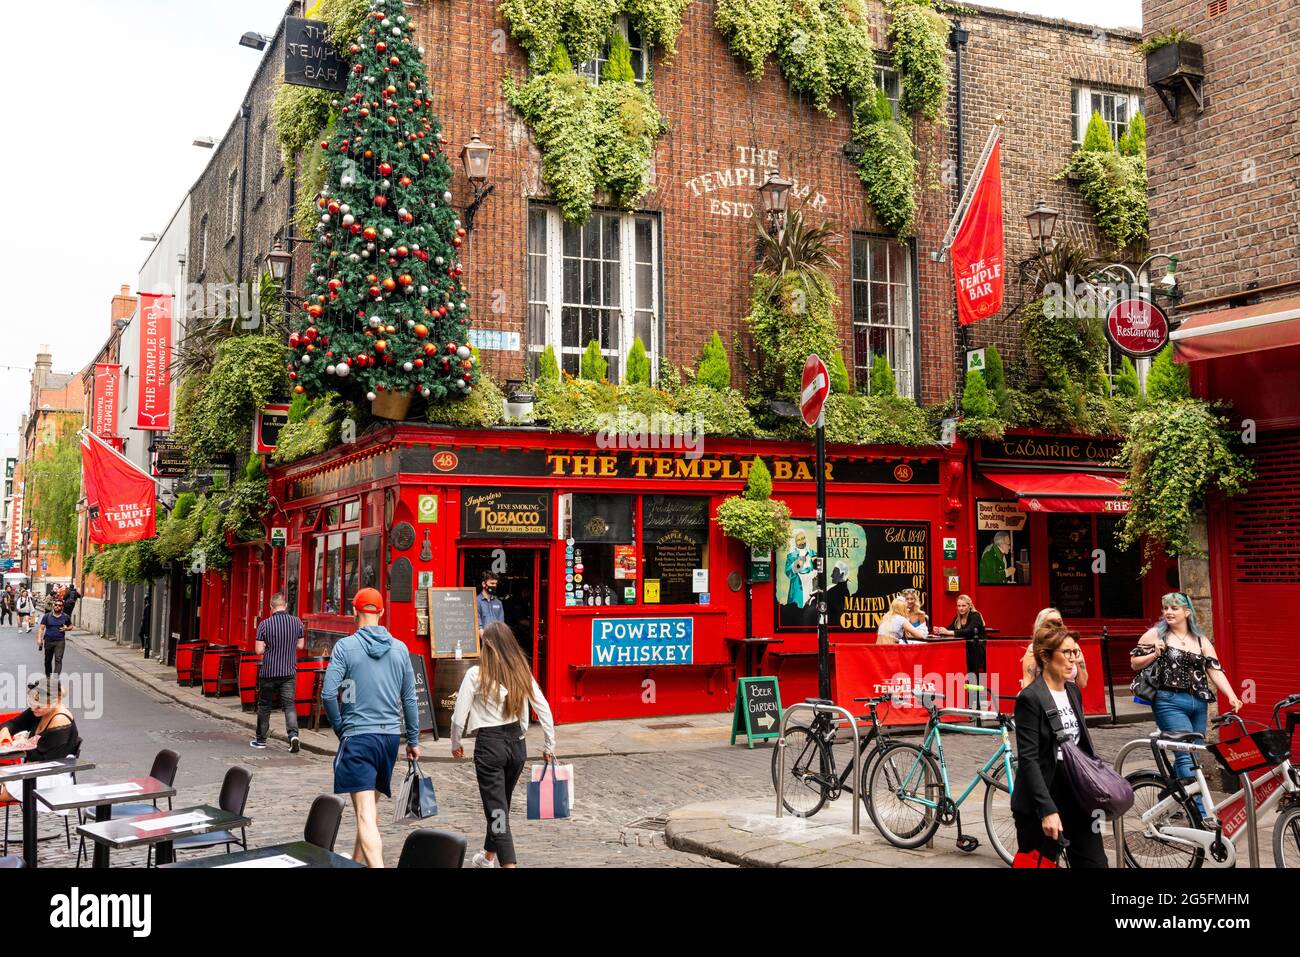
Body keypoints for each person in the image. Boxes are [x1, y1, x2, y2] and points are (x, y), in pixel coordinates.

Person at [320, 587, 419, 867]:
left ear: (354, 611)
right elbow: (409, 699)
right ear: (382, 612)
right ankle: (354, 862)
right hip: (388, 739)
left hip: (359, 737)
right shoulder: (400, 649)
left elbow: (328, 694)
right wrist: (413, 740)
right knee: (370, 812)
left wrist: (340, 727)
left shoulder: (345, 647)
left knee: (364, 815)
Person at [450, 622, 556, 869]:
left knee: (497, 812)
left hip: (490, 746)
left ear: (487, 646)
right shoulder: (521, 672)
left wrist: (456, 743)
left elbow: (458, 717)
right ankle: (488, 857)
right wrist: (549, 744)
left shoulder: (476, 675)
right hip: (517, 747)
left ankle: (508, 865)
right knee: (500, 804)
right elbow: (543, 708)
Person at [1131, 592, 1242, 811]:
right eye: (1165, 608)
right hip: (1168, 701)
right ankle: (1200, 812)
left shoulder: (1200, 640)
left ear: (1187, 612)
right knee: (1185, 757)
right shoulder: (1155, 635)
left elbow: (1214, 669)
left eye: (1174, 608)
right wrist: (1154, 654)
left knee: (1193, 754)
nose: (1168, 612)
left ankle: (1166, 798)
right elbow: (1135, 663)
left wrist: (1231, 695)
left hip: (1198, 704)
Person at [1011, 623, 1108, 868]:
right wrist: (1047, 810)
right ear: (1045, 656)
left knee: (1095, 862)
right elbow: (1029, 759)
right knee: (1039, 863)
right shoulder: (1030, 698)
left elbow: (1081, 744)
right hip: (1044, 793)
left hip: (1077, 791)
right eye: (1066, 653)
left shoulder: (1073, 691)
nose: (1073, 659)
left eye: (1075, 652)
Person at [0, 678, 81, 803]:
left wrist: (17, 744)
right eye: (32, 704)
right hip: (30, 770)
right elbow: (14, 723)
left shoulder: (60, 720)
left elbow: (44, 759)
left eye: (38, 705)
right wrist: (5, 730)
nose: (33, 709)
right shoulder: (40, 710)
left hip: (51, 777)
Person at [251, 592, 305, 752]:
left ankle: (261, 740)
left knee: (265, 706)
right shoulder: (297, 622)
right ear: (286, 606)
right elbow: (301, 646)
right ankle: (293, 736)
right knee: (289, 705)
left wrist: (270, 646)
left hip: (269, 671)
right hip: (288, 671)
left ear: (271, 607)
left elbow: (258, 650)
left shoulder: (265, 624)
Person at [1019, 608, 1088, 689]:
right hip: (1044, 697)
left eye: (1059, 622)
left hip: (1069, 696)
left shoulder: (1074, 646)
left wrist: (1078, 661)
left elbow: (1082, 683)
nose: (1056, 626)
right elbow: (1028, 684)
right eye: (1052, 622)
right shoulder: (1033, 649)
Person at [37, 598, 72, 678]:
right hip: (48, 641)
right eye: (56, 605)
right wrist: (39, 638)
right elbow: (41, 628)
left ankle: (55, 680)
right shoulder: (47, 616)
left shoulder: (66, 617)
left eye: (59, 605)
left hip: (60, 641)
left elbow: (71, 626)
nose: (57, 606)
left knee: (58, 659)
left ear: (62, 607)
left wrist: (66, 628)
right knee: (47, 660)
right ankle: (48, 677)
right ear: (53, 606)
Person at [139, 591, 153, 658]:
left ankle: (146, 647)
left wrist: (143, 621)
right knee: (141, 634)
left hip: (146, 623)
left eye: (146, 600)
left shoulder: (148, 607)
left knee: (144, 634)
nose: (145, 601)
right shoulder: (147, 606)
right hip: (144, 623)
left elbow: (146, 616)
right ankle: (144, 646)